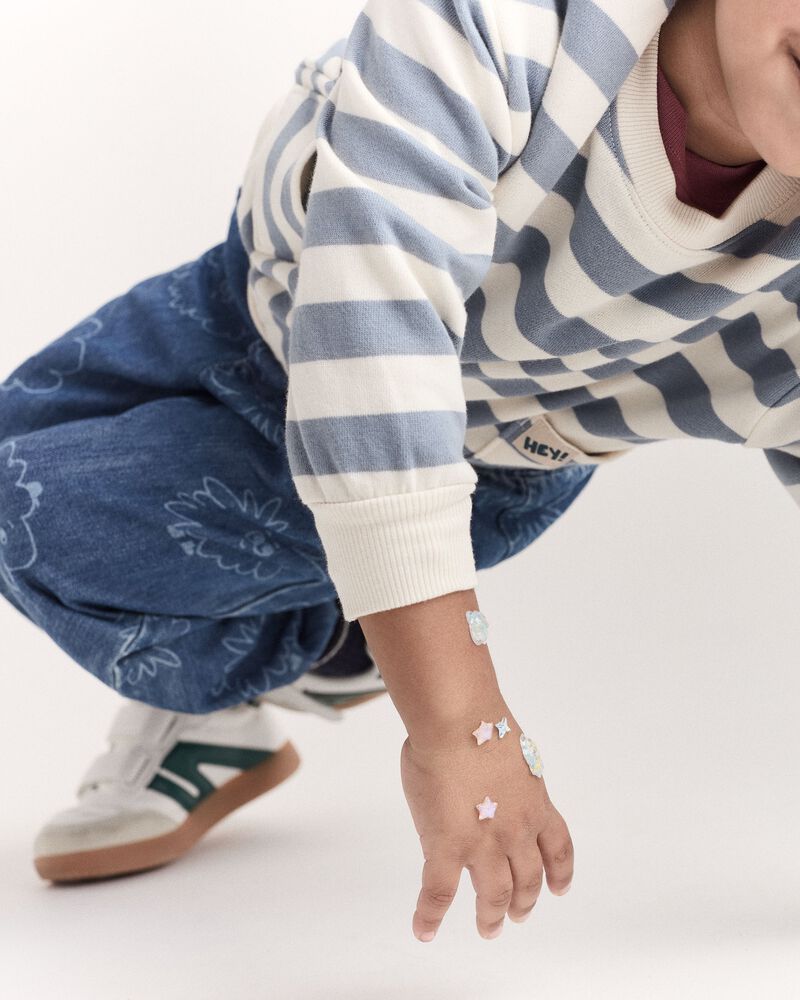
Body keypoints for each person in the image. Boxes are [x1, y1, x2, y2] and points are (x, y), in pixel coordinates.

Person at [2, 0, 799, 943]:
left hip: (477, 457)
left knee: (33, 515)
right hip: (250, 301)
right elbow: (374, 306)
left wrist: (455, 719)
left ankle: (343, 640)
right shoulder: (513, 25)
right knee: (22, 453)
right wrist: (459, 716)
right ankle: (343, 637)